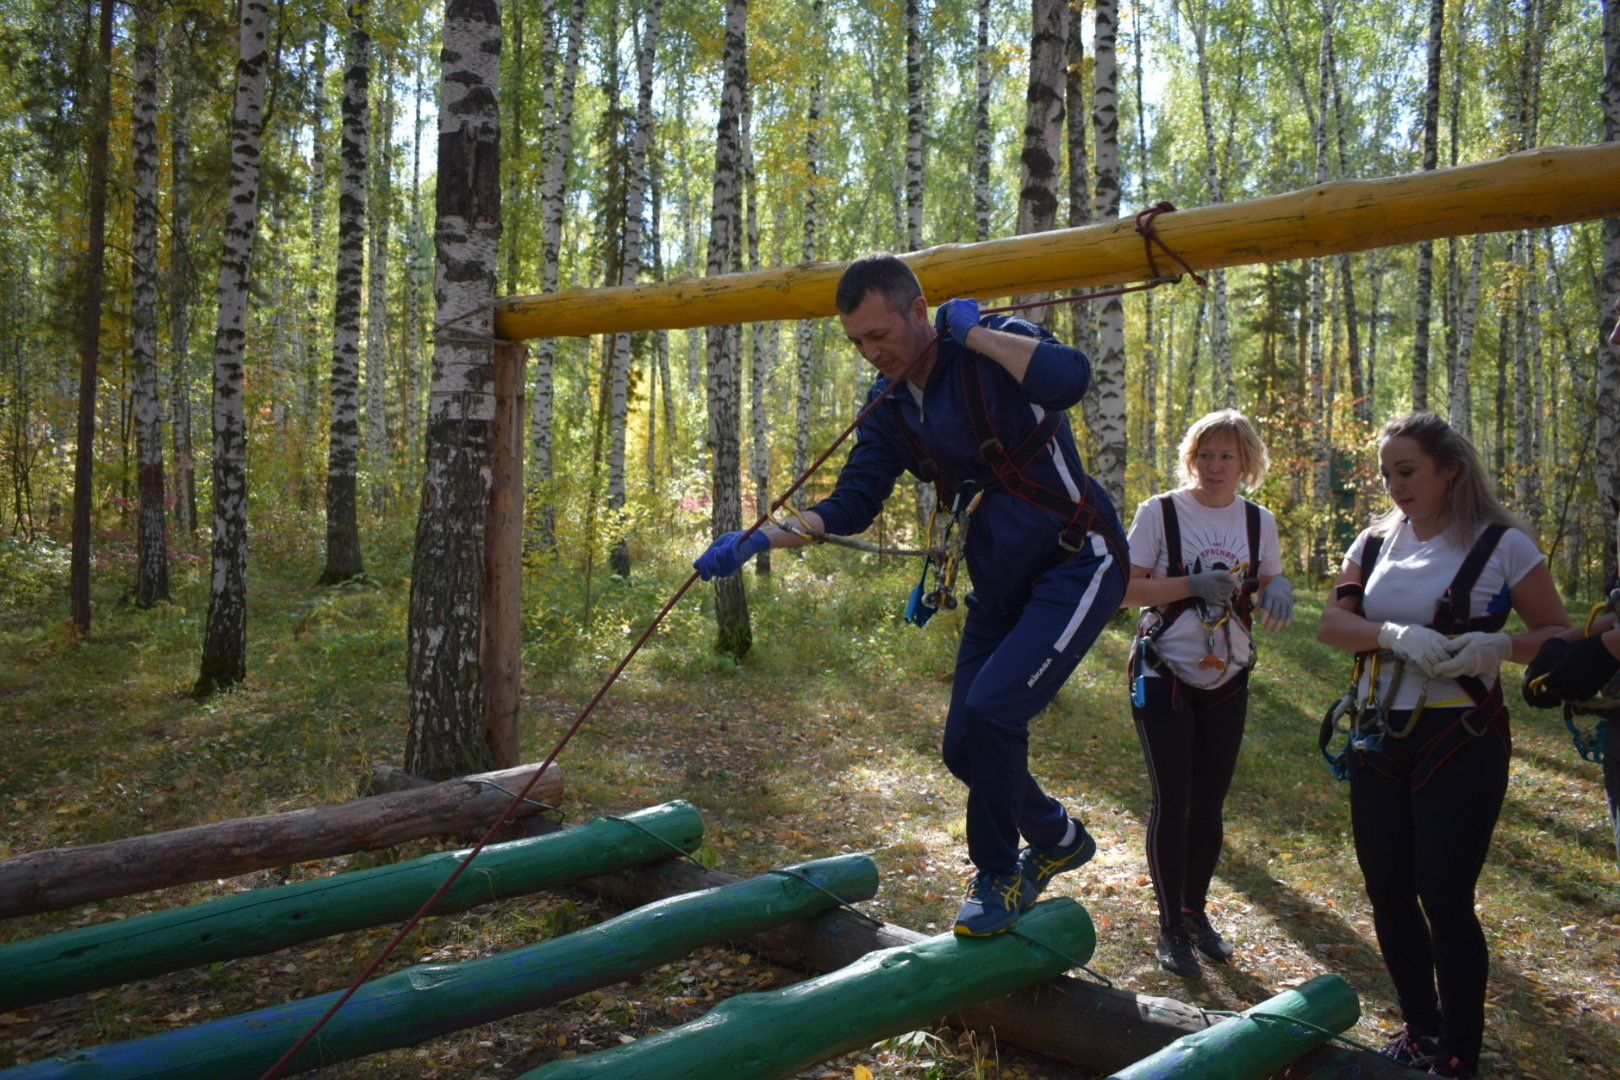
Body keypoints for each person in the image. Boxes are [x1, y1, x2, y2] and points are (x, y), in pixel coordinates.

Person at [694, 253, 1127, 937]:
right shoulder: (890, 407)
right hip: (1000, 585)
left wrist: (977, 333)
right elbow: (856, 502)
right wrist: (759, 540)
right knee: (964, 748)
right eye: (858, 343)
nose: (872, 353)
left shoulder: (993, 344)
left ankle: (997, 872)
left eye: (879, 334)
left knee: (990, 715)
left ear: (918, 309)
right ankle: (1057, 838)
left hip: (1079, 562)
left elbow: (1070, 377)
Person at [1316, 411, 1569, 1079]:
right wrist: (1392, 634)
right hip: (1379, 733)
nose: (1395, 486)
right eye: (1386, 474)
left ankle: (1459, 1047)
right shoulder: (1372, 543)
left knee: (1444, 892)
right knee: (1388, 889)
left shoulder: (1503, 544)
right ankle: (1420, 1026)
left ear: (1449, 469)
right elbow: (1332, 623)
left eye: (1407, 472)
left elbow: (1559, 635)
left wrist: (1501, 645)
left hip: (1459, 737)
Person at [1122, 410, 1293, 976]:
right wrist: (1190, 585)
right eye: (1205, 455)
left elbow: (1267, 577)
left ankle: (1196, 912)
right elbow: (1123, 588)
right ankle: (1170, 926)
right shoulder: (1160, 512)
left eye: (1228, 456)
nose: (1216, 467)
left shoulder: (1258, 520)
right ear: (1190, 458)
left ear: (1246, 461)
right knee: (1173, 801)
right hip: (1164, 669)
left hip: (1228, 676)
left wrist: (1279, 586)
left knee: (1209, 805)